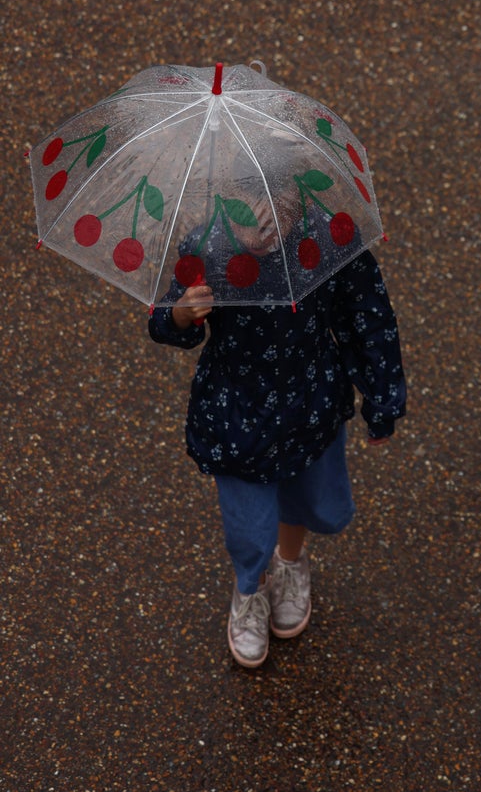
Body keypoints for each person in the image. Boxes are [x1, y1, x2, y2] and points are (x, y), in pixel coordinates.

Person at [149, 174, 407, 668]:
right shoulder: (208, 248)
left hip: (311, 406)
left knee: (311, 502)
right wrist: (181, 315)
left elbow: (367, 316)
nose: (265, 218)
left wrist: (383, 398)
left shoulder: (330, 238)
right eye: (249, 203)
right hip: (236, 418)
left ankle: (290, 565)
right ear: (225, 199)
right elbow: (164, 323)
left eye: (278, 201)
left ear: (299, 195)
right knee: (248, 529)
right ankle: (250, 588)